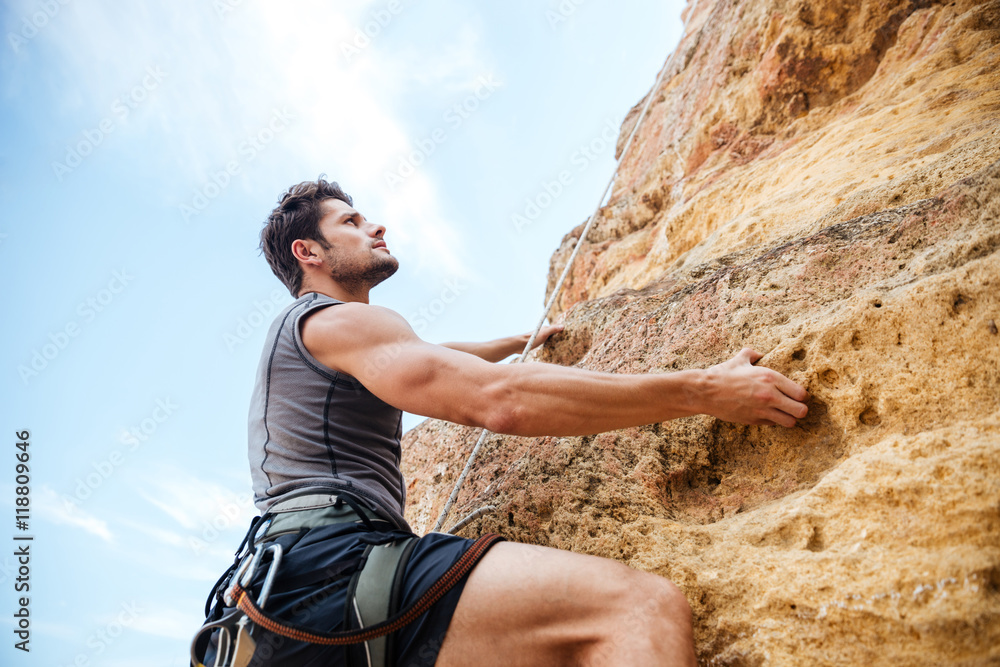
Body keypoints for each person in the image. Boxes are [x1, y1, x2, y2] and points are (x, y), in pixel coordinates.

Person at [199, 178, 809, 667]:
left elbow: (437, 354)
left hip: (280, 605)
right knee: (635, 609)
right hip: (334, 571)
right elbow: (498, 400)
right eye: (351, 222)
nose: (375, 225)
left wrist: (517, 339)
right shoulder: (332, 321)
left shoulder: (323, 337)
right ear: (309, 253)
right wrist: (704, 390)